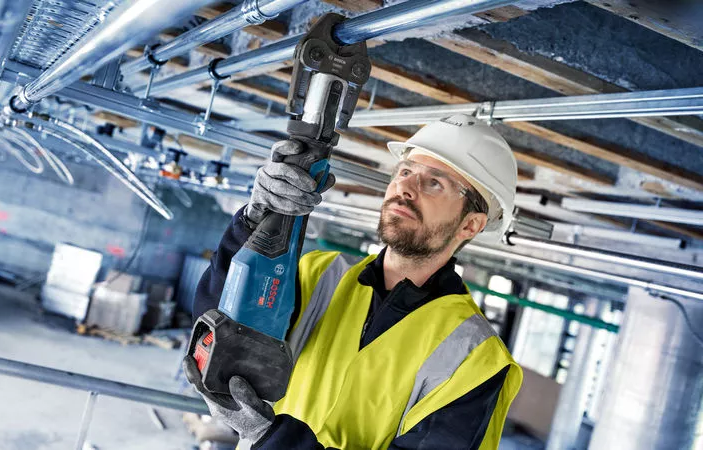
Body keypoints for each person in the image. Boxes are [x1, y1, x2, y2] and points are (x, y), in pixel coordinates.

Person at [184, 114, 523, 449]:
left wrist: (273, 440)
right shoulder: (318, 274)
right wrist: (254, 222)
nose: (405, 187)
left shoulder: (476, 359)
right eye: (405, 172)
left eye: (434, 183)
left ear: (470, 225)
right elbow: (219, 332)